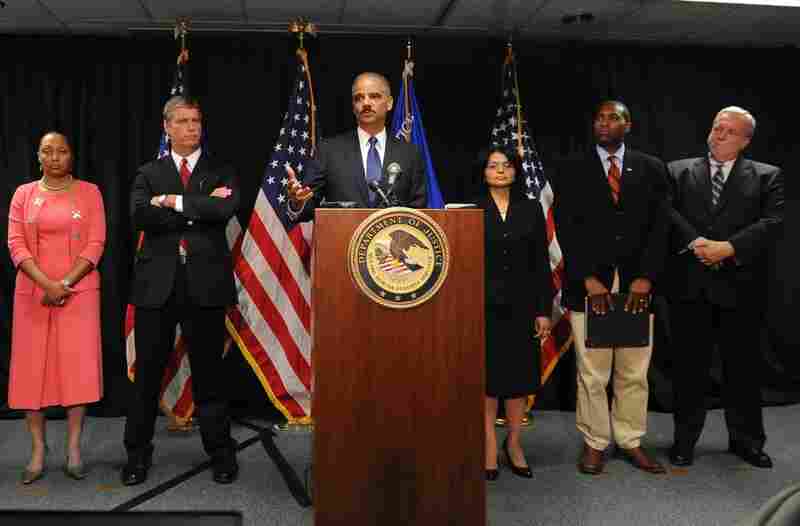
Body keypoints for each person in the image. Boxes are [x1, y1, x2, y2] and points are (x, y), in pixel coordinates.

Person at [123, 95, 241, 485]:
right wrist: (198, 208)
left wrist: (172, 202)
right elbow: (141, 215)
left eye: (197, 121)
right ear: (167, 127)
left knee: (210, 376)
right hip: (157, 289)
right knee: (148, 377)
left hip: (205, 287)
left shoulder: (220, 170)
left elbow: (224, 211)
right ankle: (137, 456)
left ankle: (221, 455)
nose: (192, 128)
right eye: (184, 121)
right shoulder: (147, 172)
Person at [553, 100, 669, 475]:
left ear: (628, 124)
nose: (605, 123)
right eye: (599, 117)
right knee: (592, 371)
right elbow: (566, 227)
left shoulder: (651, 168)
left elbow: (660, 227)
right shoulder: (572, 167)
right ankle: (595, 442)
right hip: (590, 285)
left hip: (635, 285)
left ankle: (631, 439)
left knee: (634, 370)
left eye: (613, 117)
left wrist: (645, 277)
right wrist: (586, 277)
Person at [666, 106, 784, 469]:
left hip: (742, 290)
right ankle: (684, 441)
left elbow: (773, 222)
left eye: (729, 131)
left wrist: (729, 248)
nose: (719, 134)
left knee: (743, 370)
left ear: (745, 140)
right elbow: (667, 213)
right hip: (691, 288)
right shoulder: (678, 171)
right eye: (716, 127)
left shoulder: (767, 176)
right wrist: (700, 244)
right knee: (689, 371)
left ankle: (746, 441)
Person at [7, 131, 106, 484]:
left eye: (61, 151)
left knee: (76, 371)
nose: (54, 157)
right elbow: (16, 245)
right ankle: (37, 449)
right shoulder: (23, 195)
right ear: (38, 157)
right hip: (33, 294)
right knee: (31, 373)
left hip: (78, 292)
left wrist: (63, 284)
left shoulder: (90, 192)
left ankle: (74, 447)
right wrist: (46, 285)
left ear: (71, 156)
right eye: (47, 152)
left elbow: (96, 244)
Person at [474, 147, 553, 481]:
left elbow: (539, 263)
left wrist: (543, 311)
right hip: (482, 306)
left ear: (516, 171)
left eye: (507, 165)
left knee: (518, 380)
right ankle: (489, 443)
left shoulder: (531, 208)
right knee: (488, 380)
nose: (501, 171)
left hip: (522, 306)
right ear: (483, 172)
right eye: (493, 166)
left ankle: (515, 443)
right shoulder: (471, 210)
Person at [286, 71, 426, 216]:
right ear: (353, 106)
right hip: (344, 237)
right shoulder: (329, 151)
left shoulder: (410, 154)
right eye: (359, 98)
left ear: (389, 103)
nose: (366, 103)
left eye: (374, 96)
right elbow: (308, 204)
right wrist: (298, 203)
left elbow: (419, 213)